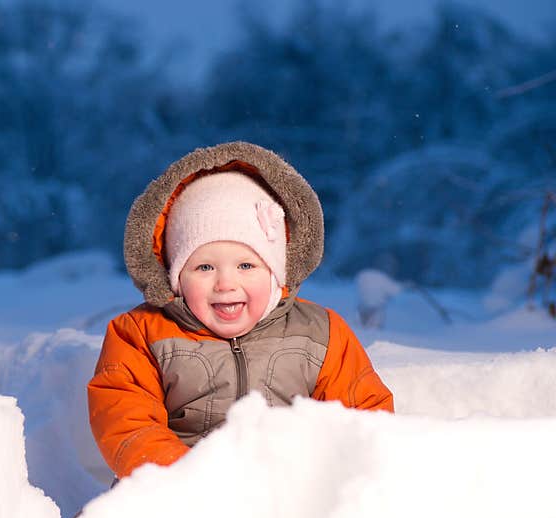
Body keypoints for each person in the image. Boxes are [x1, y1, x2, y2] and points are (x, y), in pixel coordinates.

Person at [87, 141, 393, 482]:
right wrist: (184, 477)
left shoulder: (321, 333)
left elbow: (365, 418)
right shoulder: (140, 333)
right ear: (175, 277)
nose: (225, 283)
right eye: (204, 267)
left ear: (276, 271)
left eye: (246, 265)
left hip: (287, 491)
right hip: (176, 492)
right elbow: (127, 422)